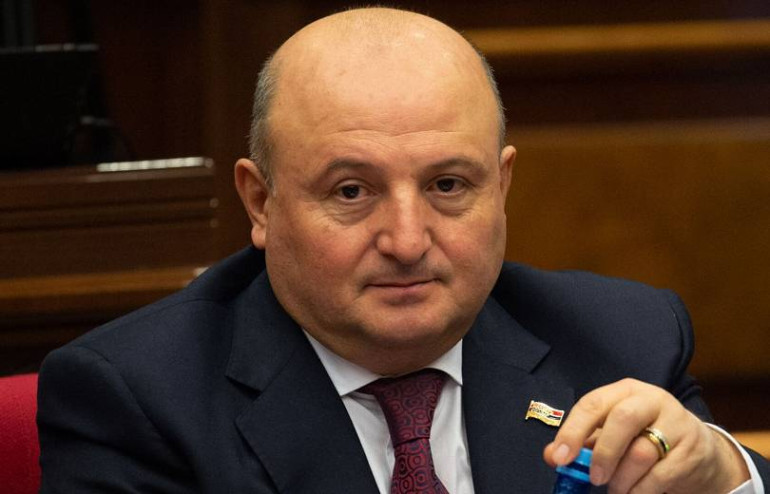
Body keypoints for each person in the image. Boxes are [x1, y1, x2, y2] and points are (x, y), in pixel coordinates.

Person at [37, 7, 768, 493]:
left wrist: (723, 473)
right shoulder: (139, 400)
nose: (408, 241)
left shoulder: (621, 339)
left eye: (448, 185)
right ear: (260, 202)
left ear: (501, 187)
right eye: (352, 192)